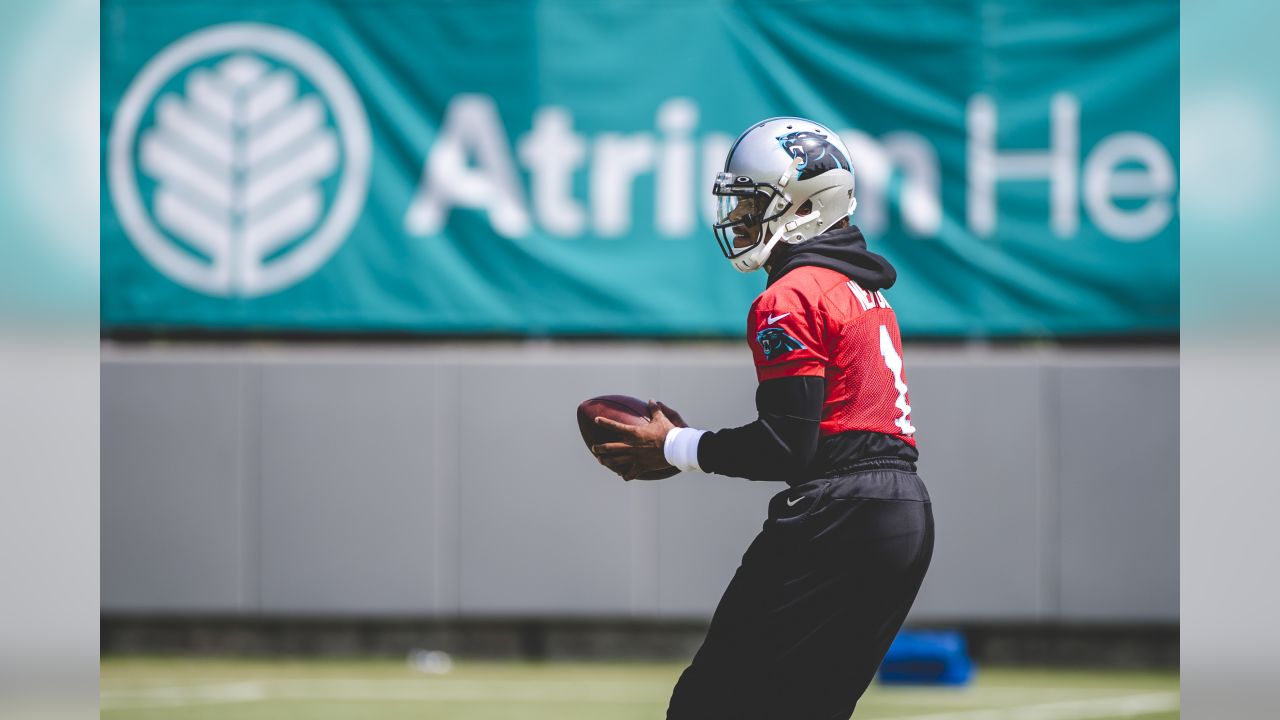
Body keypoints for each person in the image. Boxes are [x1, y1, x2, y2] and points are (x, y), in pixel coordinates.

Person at [592, 117, 935, 719]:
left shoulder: (790, 296)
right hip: (904, 513)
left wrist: (674, 445)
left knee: (708, 704)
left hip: (840, 513)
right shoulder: (863, 292)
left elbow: (786, 446)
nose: (740, 220)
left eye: (754, 205)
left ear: (803, 208)